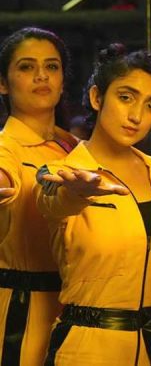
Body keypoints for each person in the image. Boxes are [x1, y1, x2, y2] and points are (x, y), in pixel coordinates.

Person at [35, 44, 151, 365]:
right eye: (126, 97)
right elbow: (52, 202)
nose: (136, 116)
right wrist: (75, 194)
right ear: (97, 97)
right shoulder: (61, 173)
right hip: (90, 347)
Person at [0, 28, 77, 366]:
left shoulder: (76, 148)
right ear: (3, 84)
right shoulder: (6, 149)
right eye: (27, 67)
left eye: (52, 66)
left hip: (80, 309)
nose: (42, 75)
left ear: (62, 80)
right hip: (21, 312)